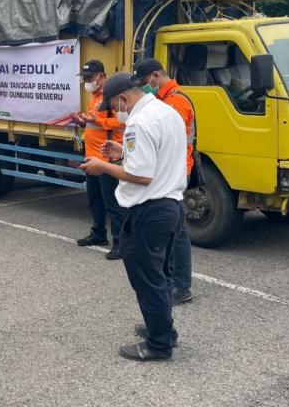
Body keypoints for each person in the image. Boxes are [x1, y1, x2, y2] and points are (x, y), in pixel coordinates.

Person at [80, 73, 187, 361]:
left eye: (115, 106)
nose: (116, 113)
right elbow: (157, 156)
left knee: (147, 280)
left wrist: (103, 165)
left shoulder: (138, 123)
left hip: (149, 211)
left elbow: (141, 175)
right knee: (161, 275)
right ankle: (163, 329)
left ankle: (158, 344)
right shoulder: (168, 112)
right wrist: (120, 153)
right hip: (172, 206)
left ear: (125, 98)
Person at [135, 58, 195, 305]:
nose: (143, 87)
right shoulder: (165, 100)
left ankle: (181, 285)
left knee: (177, 231)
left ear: (155, 77)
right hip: (172, 170)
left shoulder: (176, 102)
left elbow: (170, 140)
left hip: (176, 171)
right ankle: (173, 282)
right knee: (174, 229)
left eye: (143, 82)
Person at [70, 59, 126, 260]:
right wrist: (84, 121)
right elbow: (95, 126)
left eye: (90, 78)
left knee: (112, 201)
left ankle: (120, 241)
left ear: (102, 76)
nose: (87, 82)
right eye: (84, 78)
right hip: (92, 156)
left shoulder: (113, 96)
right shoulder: (94, 96)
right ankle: (99, 233)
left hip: (107, 159)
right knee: (94, 198)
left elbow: (121, 122)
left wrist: (97, 120)